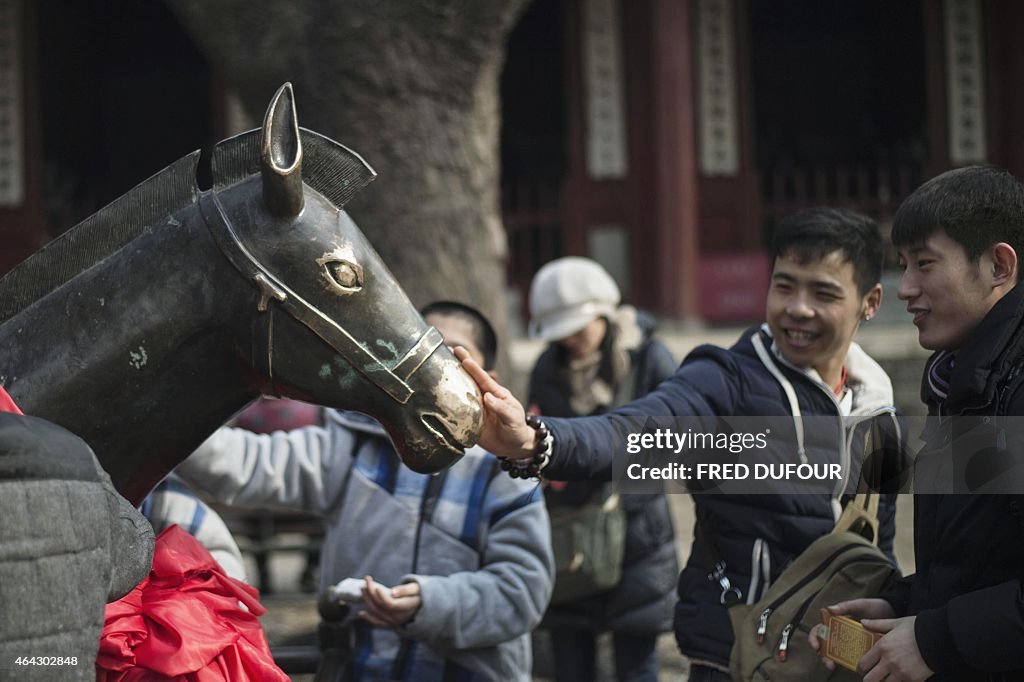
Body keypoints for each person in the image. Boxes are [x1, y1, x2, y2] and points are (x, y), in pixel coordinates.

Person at [456, 208, 902, 680]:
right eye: (785, 285)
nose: (797, 308)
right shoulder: (727, 380)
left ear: (870, 302)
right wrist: (534, 439)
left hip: (832, 661)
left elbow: (880, 551)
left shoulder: (879, 407)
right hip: (735, 654)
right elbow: (638, 431)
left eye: (824, 292)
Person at [175, 301, 554, 682]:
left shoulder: (505, 471)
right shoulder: (354, 443)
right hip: (358, 669)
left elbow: (522, 591)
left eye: (453, 353)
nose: (434, 367)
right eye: (424, 350)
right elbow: (242, 465)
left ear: (487, 376)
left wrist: (430, 603)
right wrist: (163, 414)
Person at [809, 166, 1024, 681]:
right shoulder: (965, 381)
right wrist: (906, 606)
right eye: (902, 265)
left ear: (998, 265)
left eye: (925, 264)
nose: (904, 288)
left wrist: (935, 637)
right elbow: (984, 559)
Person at [526, 257, 678, 682]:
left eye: (580, 329)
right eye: (563, 334)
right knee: (570, 662)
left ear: (603, 314)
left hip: (638, 534)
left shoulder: (650, 359)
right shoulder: (546, 367)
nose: (572, 341)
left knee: (637, 665)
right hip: (570, 536)